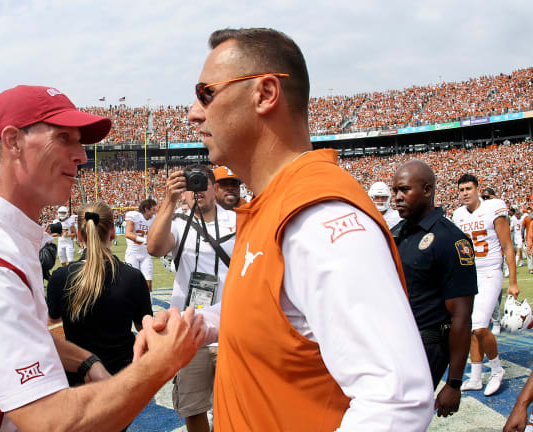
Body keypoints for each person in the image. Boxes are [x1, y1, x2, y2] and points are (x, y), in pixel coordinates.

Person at [175, 27, 433, 430]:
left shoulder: (318, 217)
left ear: (264, 93)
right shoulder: (271, 205)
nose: (193, 112)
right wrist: (196, 325)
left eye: (206, 92)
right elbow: (276, 313)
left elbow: (395, 400)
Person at [0, 85, 204, 431]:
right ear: (13, 141)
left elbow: (16, 332)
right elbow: (52, 422)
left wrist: (85, 360)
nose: (81, 155)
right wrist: (162, 362)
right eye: (64, 139)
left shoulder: (2, 239)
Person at [147, 164, 236, 432]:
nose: (197, 190)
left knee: (232, 405)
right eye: (190, 185)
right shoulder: (175, 222)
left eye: (202, 183)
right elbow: (154, 247)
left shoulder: (238, 220)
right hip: (189, 330)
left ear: (214, 188)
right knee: (192, 406)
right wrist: (169, 200)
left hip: (230, 329)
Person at [390, 160, 476, 417]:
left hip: (426, 349)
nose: (397, 197)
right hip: (395, 342)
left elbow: (461, 317)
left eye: (404, 190)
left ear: (427, 190)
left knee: (402, 421)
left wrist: (454, 383)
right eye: (395, 191)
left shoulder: (451, 240)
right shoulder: (398, 232)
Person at [47, 202, 153, 395]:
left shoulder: (60, 277)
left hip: (77, 378)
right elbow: (145, 329)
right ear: (113, 232)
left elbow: (53, 327)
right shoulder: (133, 277)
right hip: (122, 378)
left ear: (79, 234)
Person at [452, 173, 519, 396]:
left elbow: (508, 246)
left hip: (490, 271)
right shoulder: (458, 215)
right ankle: (476, 377)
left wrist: (513, 282)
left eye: (468, 189)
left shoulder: (493, 207)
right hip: (471, 274)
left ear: (478, 189)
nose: (465, 193)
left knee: (480, 326)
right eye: (461, 190)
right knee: (472, 328)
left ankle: (497, 370)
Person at [124, 198, 157, 291]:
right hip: (132, 254)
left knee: (148, 284)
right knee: (133, 283)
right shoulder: (134, 216)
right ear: (146, 209)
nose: (155, 212)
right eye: (153, 209)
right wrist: (145, 240)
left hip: (146, 254)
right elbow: (128, 233)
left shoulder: (153, 219)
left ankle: (148, 304)